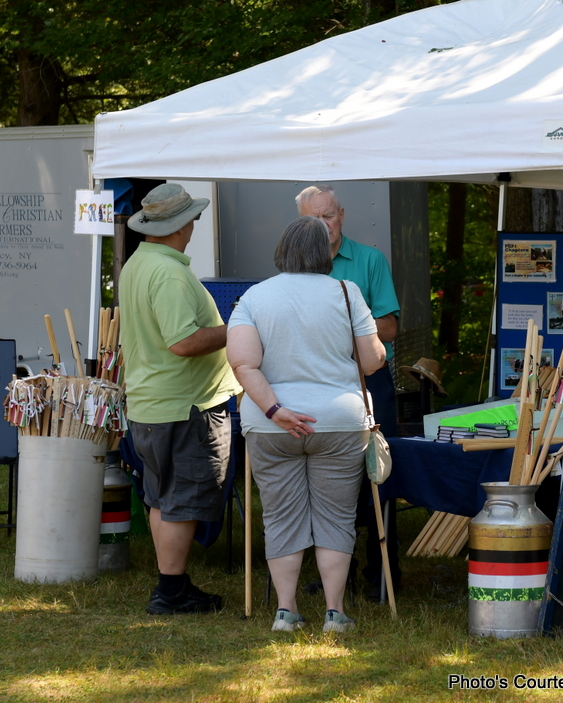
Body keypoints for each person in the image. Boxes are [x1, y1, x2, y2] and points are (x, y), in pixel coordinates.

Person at [226, 217, 386, 632]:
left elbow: (243, 364)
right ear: (325, 253)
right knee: (336, 515)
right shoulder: (346, 292)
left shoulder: (255, 297)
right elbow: (371, 361)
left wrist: (275, 410)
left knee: (280, 515)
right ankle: (335, 612)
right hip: (338, 421)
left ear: (282, 250)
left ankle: (286, 611)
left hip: (272, 426)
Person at [119, 183, 241, 614]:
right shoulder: (168, 273)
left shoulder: (139, 263)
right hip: (184, 406)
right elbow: (184, 342)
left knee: (161, 497)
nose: (194, 225)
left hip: (154, 403)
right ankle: (170, 592)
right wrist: (238, 327)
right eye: (192, 219)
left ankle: (172, 583)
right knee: (181, 502)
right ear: (177, 226)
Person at [296, 184, 402, 599]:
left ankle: (383, 576)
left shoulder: (369, 260)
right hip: (318, 382)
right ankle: (337, 575)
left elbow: (389, 327)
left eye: (329, 215)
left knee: (380, 475)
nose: (324, 225)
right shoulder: (294, 267)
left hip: (367, 380)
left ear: (342, 215)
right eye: (314, 218)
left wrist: (341, 332)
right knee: (326, 482)